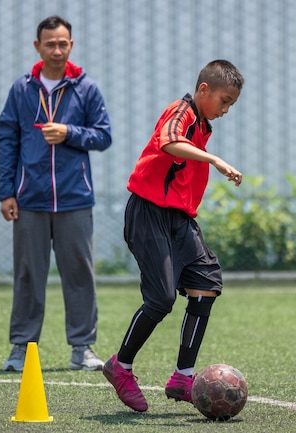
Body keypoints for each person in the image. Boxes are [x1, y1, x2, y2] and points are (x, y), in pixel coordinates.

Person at [102, 60, 244, 412]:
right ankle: (121, 366)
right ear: (204, 90)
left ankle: (182, 377)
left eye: (231, 105)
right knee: (162, 299)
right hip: (148, 213)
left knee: (206, 284)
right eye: (224, 101)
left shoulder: (203, 124)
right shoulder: (181, 111)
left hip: (178, 220)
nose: (226, 110)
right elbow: (168, 142)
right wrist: (216, 160)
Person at [0, 15, 111, 372]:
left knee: (79, 273)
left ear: (71, 46)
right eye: (50, 44)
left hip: (75, 198)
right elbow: (7, 141)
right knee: (29, 273)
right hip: (29, 199)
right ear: (38, 47)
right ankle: (22, 349)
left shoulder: (86, 88)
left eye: (63, 44)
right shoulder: (22, 89)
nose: (57, 50)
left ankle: (82, 349)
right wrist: (6, 192)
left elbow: (103, 136)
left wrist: (69, 132)